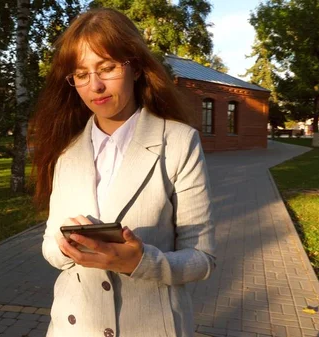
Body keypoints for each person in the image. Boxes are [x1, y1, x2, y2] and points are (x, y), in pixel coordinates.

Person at [31, 8, 216, 337]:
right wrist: (64, 245)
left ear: (135, 67)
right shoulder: (67, 153)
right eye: (81, 74)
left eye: (107, 68)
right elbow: (49, 246)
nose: (96, 86)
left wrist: (139, 261)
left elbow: (202, 259)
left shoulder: (178, 142)